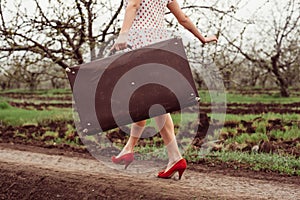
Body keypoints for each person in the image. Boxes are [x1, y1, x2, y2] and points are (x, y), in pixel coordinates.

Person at [111, 0, 217, 179]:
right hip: (160, 44)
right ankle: (132, 149)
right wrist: (202, 37)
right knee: (148, 100)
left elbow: (133, 6)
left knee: (151, 101)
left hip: (141, 45)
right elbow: (182, 18)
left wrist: (123, 34)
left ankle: (173, 157)